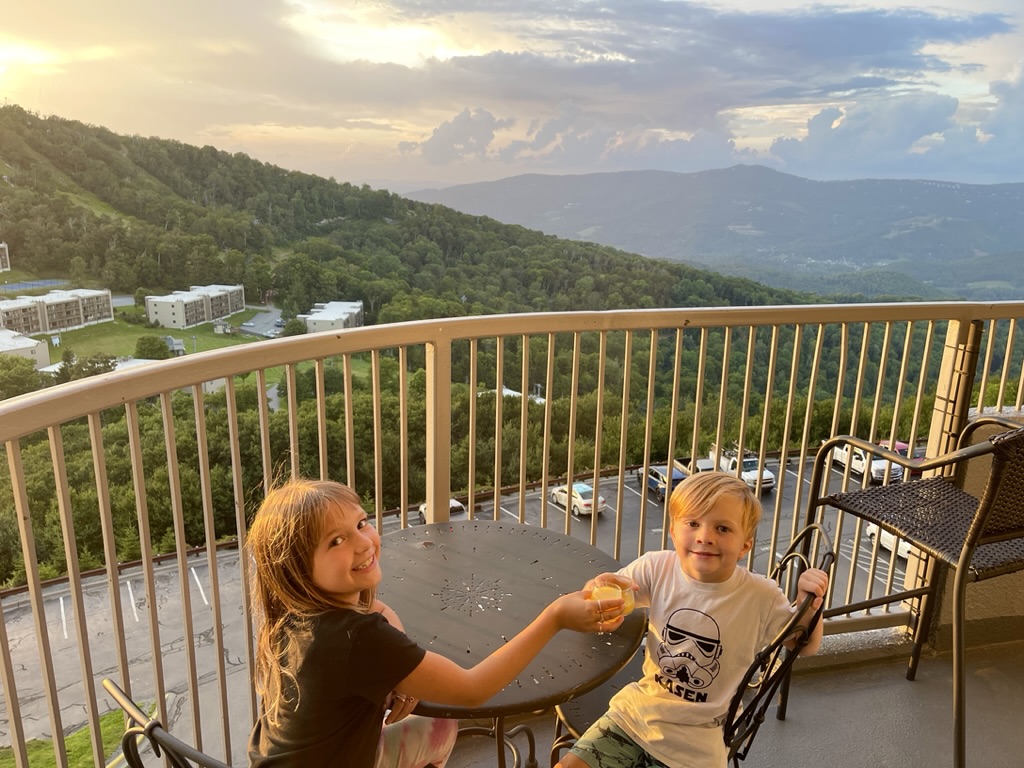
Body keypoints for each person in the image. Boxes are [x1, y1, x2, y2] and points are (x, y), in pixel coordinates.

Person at [246, 479, 625, 768]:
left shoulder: (296, 611)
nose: (362, 543)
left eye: (361, 523)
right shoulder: (356, 639)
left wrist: (400, 675)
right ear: (298, 569)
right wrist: (555, 617)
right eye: (336, 541)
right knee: (441, 725)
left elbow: (378, 609)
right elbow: (472, 690)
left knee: (440, 726)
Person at [557, 471, 829, 768]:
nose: (705, 537)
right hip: (636, 715)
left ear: (744, 546)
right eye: (692, 523)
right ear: (673, 532)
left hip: (699, 738)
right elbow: (603, 597)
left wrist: (809, 604)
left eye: (722, 528)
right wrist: (597, 589)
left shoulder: (761, 597)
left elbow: (803, 644)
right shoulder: (657, 568)